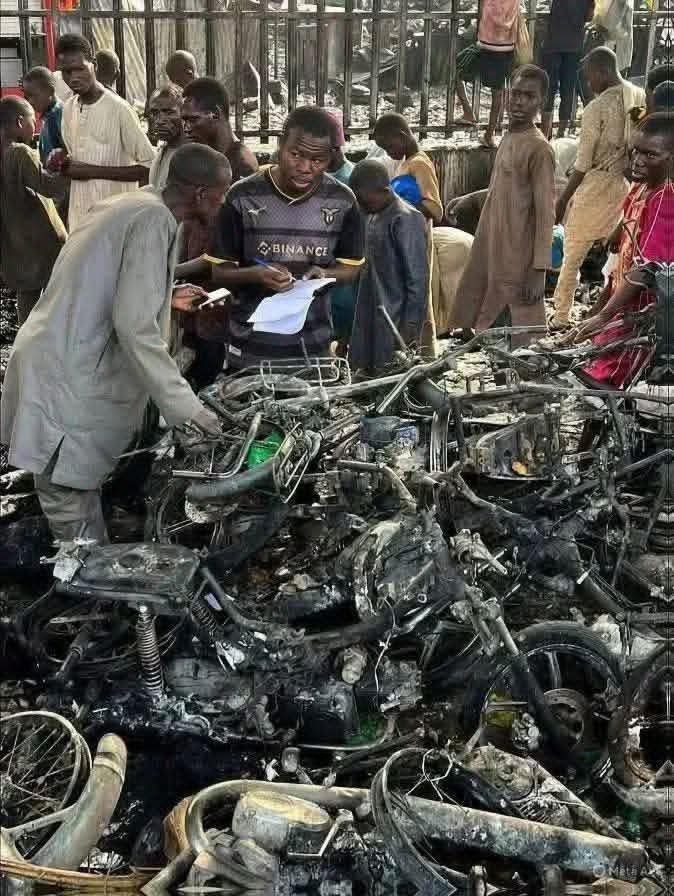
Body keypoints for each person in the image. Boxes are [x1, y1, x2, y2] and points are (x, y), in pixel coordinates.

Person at [0, 143, 229, 544]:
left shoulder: (134, 204)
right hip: (71, 368)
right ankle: (86, 584)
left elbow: (106, 280)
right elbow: (135, 328)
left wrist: (165, 295)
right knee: (67, 490)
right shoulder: (154, 220)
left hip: (56, 350)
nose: (223, 202)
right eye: (221, 193)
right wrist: (186, 408)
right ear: (198, 194)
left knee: (69, 483)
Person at [211, 105, 364, 369]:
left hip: (313, 350)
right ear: (280, 145)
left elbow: (350, 270)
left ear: (331, 157)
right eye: (296, 154)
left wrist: (326, 274)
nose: (305, 167)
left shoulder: (343, 201)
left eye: (318, 160)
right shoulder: (241, 197)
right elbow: (219, 272)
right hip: (250, 349)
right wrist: (256, 275)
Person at [566, 114, 674, 386]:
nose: (637, 160)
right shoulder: (639, 190)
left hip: (643, 316)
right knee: (594, 379)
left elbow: (645, 268)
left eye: (651, 155)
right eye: (636, 150)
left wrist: (604, 314)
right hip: (622, 308)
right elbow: (621, 264)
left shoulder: (664, 199)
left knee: (604, 384)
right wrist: (600, 308)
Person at [453, 65, 555, 347]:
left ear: (540, 103)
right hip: (494, 243)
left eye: (529, 96)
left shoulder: (539, 149)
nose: (520, 101)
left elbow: (546, 213)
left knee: (515, 327)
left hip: (518, 252)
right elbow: (505, 188)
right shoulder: (510, 137)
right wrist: (470, 198)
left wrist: (539, 270)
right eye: (516, 94)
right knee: (490, 319)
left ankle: (519, 384)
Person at [549, 47, 644, 329]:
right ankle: (616, 306)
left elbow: (582, 162)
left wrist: (563, 199)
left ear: (603, 72)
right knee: (621, 250)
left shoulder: (595, 109)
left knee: (572, 255)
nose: (588, 84)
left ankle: (561, 315)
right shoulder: (637, 96)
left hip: (595, 187)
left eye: (589, 77)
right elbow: (634, 142)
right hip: (625, 186)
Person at [56, 33, 155, 231]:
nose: (73, 78)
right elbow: (76, 158)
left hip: (114, 224)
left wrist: (90, 171)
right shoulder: (68, 108)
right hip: (79, 222)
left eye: (80, 69)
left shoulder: (119, 109)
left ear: (95, 65)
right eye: (67, 72)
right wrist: (63, 163)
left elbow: (149, 167)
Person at [348, 160, 429, 371]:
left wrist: (410, 328)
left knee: (393, 377)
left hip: (396, 318)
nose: (361, 206)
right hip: (370, 310)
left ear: (384, 191)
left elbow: (417, 280)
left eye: (365, 201)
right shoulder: (371, 214)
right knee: (366, 375)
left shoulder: (406, 218)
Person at [0, 97, 67, 325]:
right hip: (42, 244)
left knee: (26, 301)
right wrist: (66, 169)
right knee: (54, 299)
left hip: (13, 246)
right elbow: (47, 187)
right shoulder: (19, 153)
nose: (35, 126)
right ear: (20, 122)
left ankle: (25, 348)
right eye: (32, 120)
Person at [182, 77, 258, 183]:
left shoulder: (241, 165)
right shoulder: (210, 156)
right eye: (185, 120)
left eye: (193, 119)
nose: (186, 128)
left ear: (216, 114)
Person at [372, 112, 442, 224]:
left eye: (389, 147)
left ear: (402, 136)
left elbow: (434, 209)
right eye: (385, 149)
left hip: (416, 237)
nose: (388, 153)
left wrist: (397, 211)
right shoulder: (405, 163)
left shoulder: (419, 164)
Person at [540, 0, 594, 139]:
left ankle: (545, 133)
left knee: (549, 88)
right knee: (567, 89)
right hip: (573, 45)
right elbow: (589, 17)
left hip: (553, 43)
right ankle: (561, 133)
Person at [475, 0, 519, 147]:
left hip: (490, 44)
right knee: (508, 90)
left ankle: (489, 134)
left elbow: (483, 10)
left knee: (497, 93)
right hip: (509, 44)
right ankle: (511, 130)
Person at [22, 66, 65, 166]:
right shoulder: (48, 114)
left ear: (50, 91)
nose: (30, 101)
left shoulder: (59, 116)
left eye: (34, 95)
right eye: (27, 96)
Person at [148, 85, 185, 190]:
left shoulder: (191, 155)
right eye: (155, 113)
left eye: (169, 112)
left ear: (183, 113)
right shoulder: (162, 150)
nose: (160, 120)